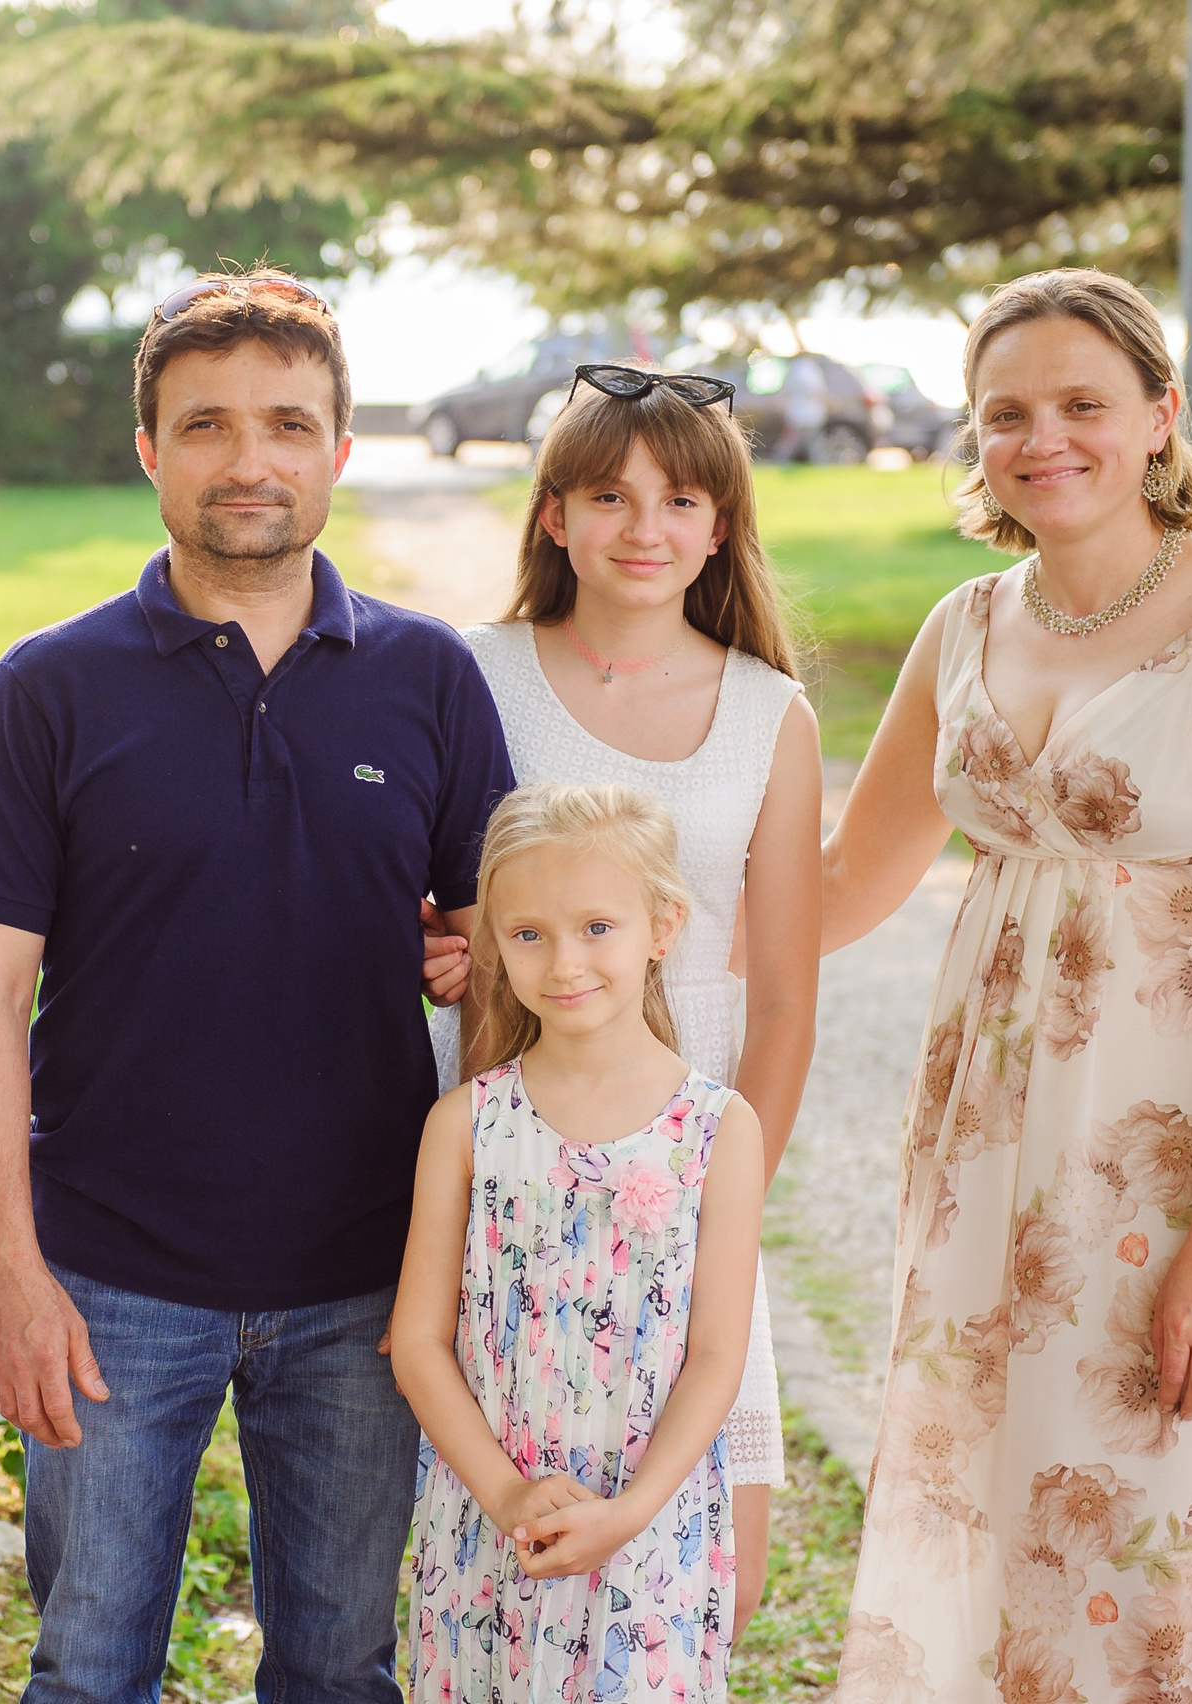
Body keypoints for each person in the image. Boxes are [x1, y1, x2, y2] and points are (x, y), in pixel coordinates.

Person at [0, 268, 516, 1704]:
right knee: (89, 1669)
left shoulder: (432, 681)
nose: (247, 460)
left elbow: (503, 955)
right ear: (149, 451)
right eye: (204, 426)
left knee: (338, 1670)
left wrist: (474, 957)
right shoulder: (47, 689)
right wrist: (11, 1276)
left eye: (284, 423)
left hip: (369, 1280)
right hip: (110, 1278)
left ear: (338, 448)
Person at [820, 270, 1192, 1700]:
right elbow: (832, 894)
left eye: (1082, 405)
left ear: (1162, 417)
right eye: (1006, 413)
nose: (1042, 438)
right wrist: (572, 919)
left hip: (1169, 1175)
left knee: (1143, 1561)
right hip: (982, 1165)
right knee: (982, 1533)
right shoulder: (964, 625)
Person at [420, 363, 821, 1635]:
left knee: (711, 1570)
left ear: (720, 526)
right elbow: (419, 891)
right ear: (551, 515)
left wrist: (727, 1204)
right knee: (502, 1508)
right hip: (512, 1119)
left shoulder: (769, 713)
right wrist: (452, 949)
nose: (644, 528)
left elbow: (787, 1001)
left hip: (686, 1148)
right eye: (607, 494)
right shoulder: (468, 673)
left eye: (680, 499)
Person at [394, 782, 767, 1703]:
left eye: (597, 926)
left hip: (648, 1526)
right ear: (494, 945)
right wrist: (505, 1495)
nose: (564, 962)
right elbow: (417, 1343)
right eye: (528, 934)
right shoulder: (465, 1126)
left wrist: (632, 1514)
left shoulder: (719, 1129)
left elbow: (718, 1357)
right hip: (491, 1521)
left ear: (663, 924)